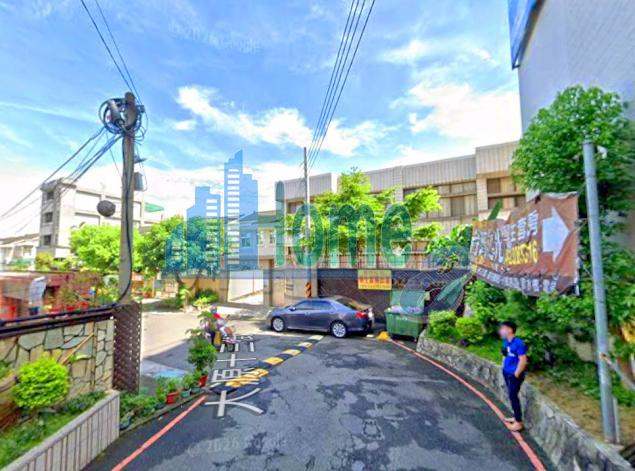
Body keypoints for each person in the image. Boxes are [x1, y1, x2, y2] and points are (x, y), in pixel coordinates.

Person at [499, 320, 528, 432]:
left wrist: (516, 374)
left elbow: (523, 361)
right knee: (512, 396)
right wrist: (503, 366)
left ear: (510, 330)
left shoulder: (519, 343)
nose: (501, 331)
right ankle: (516, 417)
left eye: (503, 328)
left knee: (513, 396)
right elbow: (504, 354)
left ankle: (518, 423)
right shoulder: (506, 341)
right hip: (506, 371)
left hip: (514, 374)